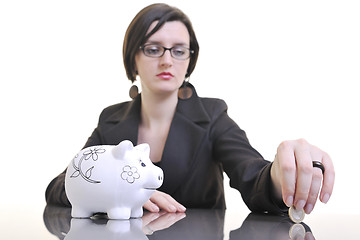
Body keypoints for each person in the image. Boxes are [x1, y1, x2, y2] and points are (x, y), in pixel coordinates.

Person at [45, 3, 335, 215]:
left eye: (179, 50)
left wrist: (285, 171)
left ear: (189, 60)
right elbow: (61, 186)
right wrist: (119, 194)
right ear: (133, 59)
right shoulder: (111, 120)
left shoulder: (212, 116)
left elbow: (253, 177)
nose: (168, 61)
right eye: (153, 48)